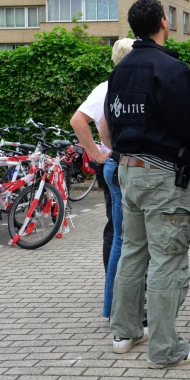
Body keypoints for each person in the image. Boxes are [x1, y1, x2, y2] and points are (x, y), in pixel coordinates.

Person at [105, 0, 190, 368]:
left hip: (127, 171)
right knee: (168, 259)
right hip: (162, 175)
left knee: (134, 251)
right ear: (164, 22)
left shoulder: (120, 70)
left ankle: (125, 331)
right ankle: (166, 349)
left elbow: (112, 120)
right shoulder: (170, 69)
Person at [70, 40, 133, 317]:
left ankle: (116, 294)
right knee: (117, 231)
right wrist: (97, 153)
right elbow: (78, 121)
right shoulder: (109, 88)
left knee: (118, 231)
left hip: (115, 161)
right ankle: (115, 289)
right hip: (115, 162)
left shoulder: (111, 86)